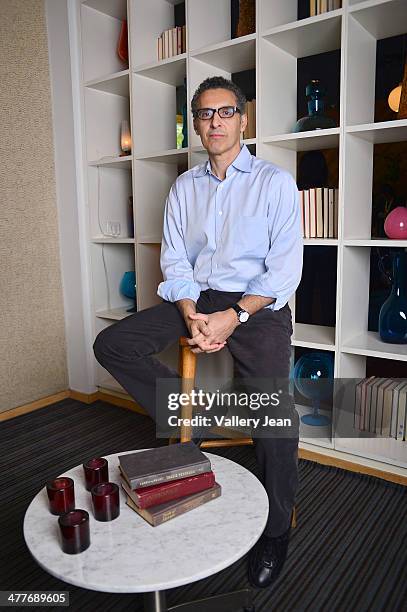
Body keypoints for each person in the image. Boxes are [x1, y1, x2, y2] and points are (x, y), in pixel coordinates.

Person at [93, 75, 303, 588]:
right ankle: (192, 420)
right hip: (198, 298)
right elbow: (176, 264)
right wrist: (190, 311)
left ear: (243, 119)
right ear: (195, 124)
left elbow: (282, 272)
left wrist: (235, 317)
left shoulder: (274, 182)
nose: (215, 122)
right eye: (205, 114)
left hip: (258, 303)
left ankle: (277, 530)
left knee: (272, 410)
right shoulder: (183, 187)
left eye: (225, 112)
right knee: (113, 344)